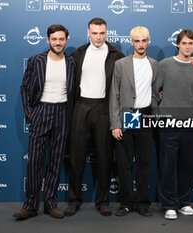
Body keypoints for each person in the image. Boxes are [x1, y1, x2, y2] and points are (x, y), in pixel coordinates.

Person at [64, 18, 124, 217]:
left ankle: (103, 201)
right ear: (88, 32)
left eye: (102, 33)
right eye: (94, 33)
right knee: (76, 158)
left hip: (103, 109)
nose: (98, 37)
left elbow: (132, 73)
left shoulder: (116, 55)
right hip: (81, 107)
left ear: (107, 33)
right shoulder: (78, 54)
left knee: (105, 158)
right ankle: (73, 200)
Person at [14, 24, 75, 220]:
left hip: (63, 113)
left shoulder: (72, 62)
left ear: (66, 40)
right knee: (35, 161)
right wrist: (30, 113)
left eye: (61, 39)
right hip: (41, 111)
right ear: (48, 40)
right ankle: (30, 205)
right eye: (54, 39)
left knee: (56, 161)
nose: (58, 42)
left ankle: (50, 204)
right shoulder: (36, 61)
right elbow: (24, 88)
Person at [152, 30, 193, 220]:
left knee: (188, 164)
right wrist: (158, 117)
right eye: (184, 43)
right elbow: (154, 92)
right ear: (178, 45)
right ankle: (169, 204)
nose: (188, 46)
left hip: (191, 124)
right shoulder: (165, 65)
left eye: (191, 43)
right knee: (168, 164)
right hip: (168, 123)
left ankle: (184, 202)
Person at [109, 26, 157, 217]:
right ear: (131, 42)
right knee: (124, 162)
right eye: (137, 41)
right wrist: (115, 124)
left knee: (145, 162)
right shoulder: (121, 64)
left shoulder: (155, 64)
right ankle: (126, 202)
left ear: (148, 41)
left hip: (145, 116)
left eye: (144, 40)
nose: (140, 44)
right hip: (127, 115)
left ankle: (143, 202)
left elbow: (156, 92)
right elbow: (114, 94)